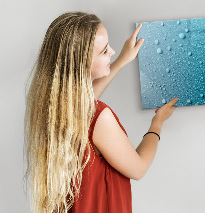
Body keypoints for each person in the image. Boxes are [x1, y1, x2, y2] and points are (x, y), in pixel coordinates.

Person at [24, 12, 178, 213]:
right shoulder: (100, 117)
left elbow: (86, 104)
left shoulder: (53, 107)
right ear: (82, 64)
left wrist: (122, 60)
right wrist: (157, 123)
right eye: (105, 51)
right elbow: (139, 168)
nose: (113, 51)